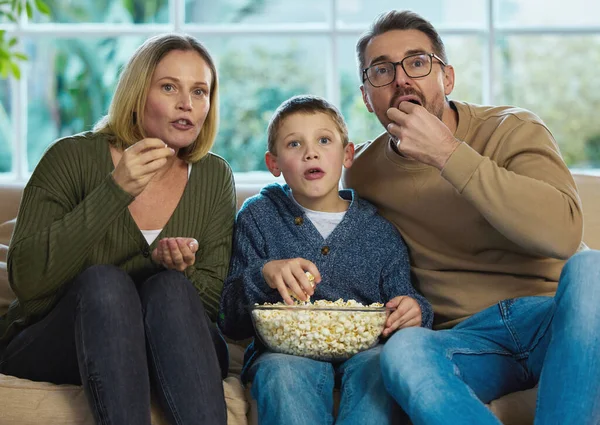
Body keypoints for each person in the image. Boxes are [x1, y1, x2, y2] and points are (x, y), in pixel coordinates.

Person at [343, 9, 600, 425]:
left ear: (447, 79)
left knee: (593, 267)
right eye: (382, 71)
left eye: (418, 62)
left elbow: (563, 235)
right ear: (366, 95)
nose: (401, 79)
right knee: (404, 351)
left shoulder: (513, 128)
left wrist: (448, 154)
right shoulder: (363, 172)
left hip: (554, 321)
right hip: (466, 339)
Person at [0, 33, 236, 425]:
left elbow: (212, 308)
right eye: (169, 87)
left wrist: (174, 269)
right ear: (137, 93)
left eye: (200, 91)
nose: (187, 104)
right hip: (62, 341)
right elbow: (28, 281)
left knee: (170, 288)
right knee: (104, 284)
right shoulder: (70, 157)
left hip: (171, 344)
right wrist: (115, 191)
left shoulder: (214, 176)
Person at [218, 94, 433, 425]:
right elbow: (230, 318)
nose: (311, 152)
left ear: (347, 154)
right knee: (280, 374)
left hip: (366, 352)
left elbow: (404, 299)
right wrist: (264, 275)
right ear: (273, 163)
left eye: (323, 140)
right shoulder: (259, 217)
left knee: (383, 369)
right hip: (283, 353)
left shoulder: (378, 231)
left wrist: (416, 309)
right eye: (294, 144)